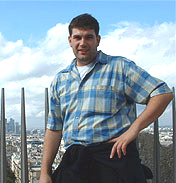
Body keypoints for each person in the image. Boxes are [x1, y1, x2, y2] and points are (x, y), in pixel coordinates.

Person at [39, 13, 174, 183]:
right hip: (76, 163)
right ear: (70, 40)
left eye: (89, 37)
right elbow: (54, 128)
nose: (83, 43)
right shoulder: (61, 79)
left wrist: (133, 130)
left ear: (98, 39)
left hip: (115, 158)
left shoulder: (119, 67)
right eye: (78, 37)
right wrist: (45, 172)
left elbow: (162, 93)